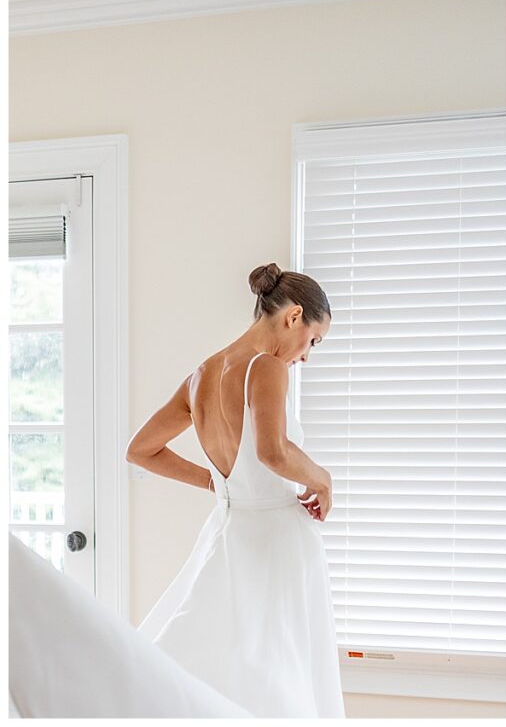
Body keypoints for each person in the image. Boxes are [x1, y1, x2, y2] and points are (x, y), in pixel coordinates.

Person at [125, 262, 344, 717]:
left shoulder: (200, 376)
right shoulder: (266, 367)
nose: (306, 356)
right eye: (313, 341)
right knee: (281, 671)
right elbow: (273, 451)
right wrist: (323, 479)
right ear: (293, 316)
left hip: (227, 535)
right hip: (276, 543)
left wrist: (216, 482)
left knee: (229, 664)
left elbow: (141, 449)